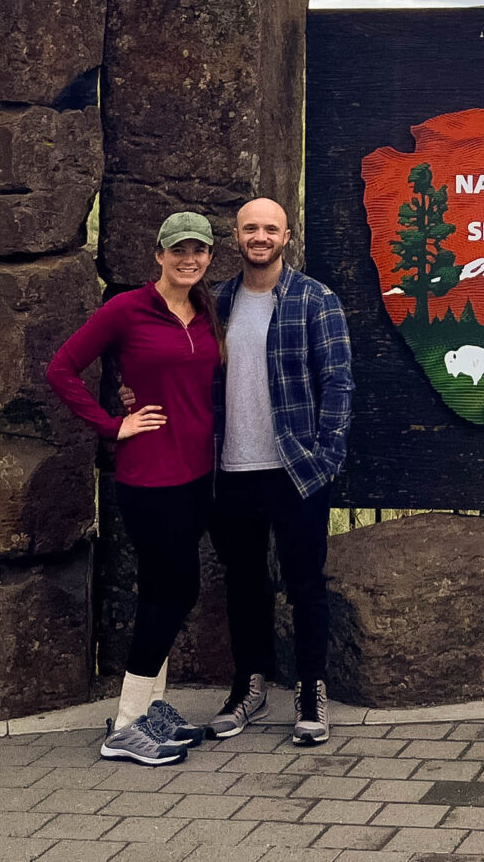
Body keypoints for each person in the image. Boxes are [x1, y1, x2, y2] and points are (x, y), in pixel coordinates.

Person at [45, 210, 222, 768]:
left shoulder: (205, 310)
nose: (188, 259)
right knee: (176, 593)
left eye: (198, 251)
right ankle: (124, 726)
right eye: (178, 250)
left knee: (160, 594)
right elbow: (61, 369)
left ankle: (151, 710)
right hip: (150, 477)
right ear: (159, 254)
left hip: (197, 475)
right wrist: (111, 422)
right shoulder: (127, 309)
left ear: (209, 257)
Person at [202, 196, 353, 747]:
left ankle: (311, 690)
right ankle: (249, 686)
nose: (259, 237)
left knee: (305, 583)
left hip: (296, 470)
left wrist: (326, 456)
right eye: (250, 228)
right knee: (244, 584)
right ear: (236, 236)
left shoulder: (316, 300)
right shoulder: (216, 302)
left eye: (270, 228)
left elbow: (338, 385)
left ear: (286, 237)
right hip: (231, 469)